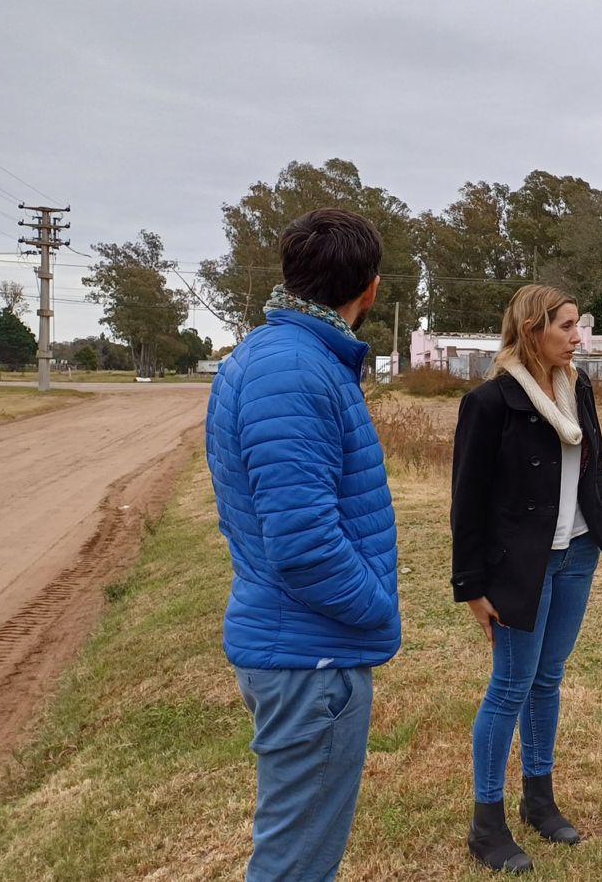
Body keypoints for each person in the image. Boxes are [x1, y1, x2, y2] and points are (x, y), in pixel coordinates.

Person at [206, 208, 400, 882]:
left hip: (296, 649)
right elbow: (305, 543)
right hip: (312, 661)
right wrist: (377, 610)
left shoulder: (273, 358)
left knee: (292, 854)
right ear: (370, 288)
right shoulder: (295, 370)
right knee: (294, 867)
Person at [450, 284, 602, 874]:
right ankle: (487, 824)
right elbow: (467, 504)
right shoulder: (489, 403)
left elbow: (592, 463)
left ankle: (539, 798)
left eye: (580, 325)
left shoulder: (577, 388)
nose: (579, 338)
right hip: (518, 567)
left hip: (577, 554)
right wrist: (472, 588)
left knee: (547, 680)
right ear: (533, 331)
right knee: (510, 686)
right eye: (568, 326)